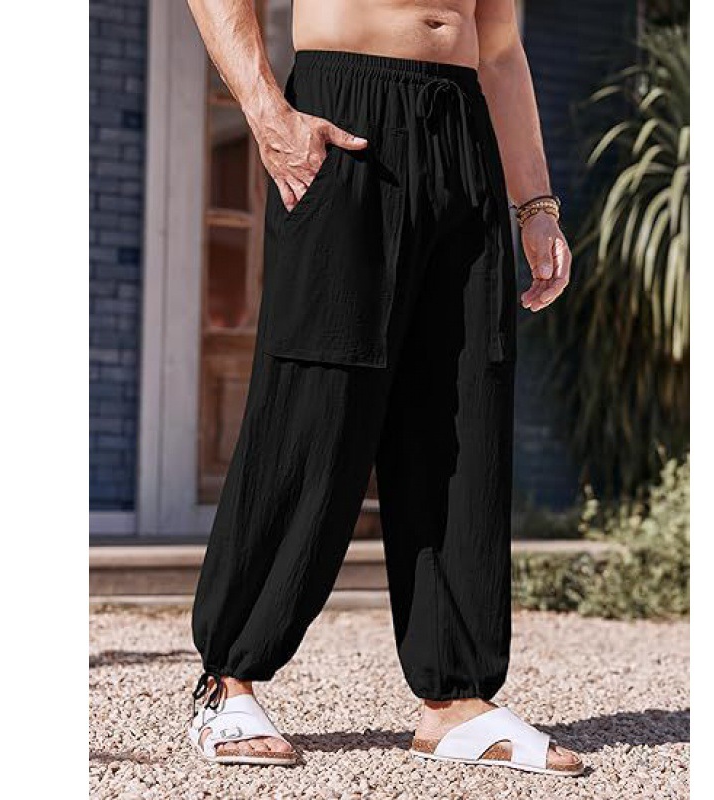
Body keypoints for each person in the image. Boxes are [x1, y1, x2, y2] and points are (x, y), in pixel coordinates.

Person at [186, 0, 581, 776]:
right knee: (313, 408)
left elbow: (501, 47)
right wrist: (267, 113)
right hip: (346, 120)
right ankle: (228, 678)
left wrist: (535, 206)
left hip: (461, 128)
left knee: (460, 410)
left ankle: (456, 699)